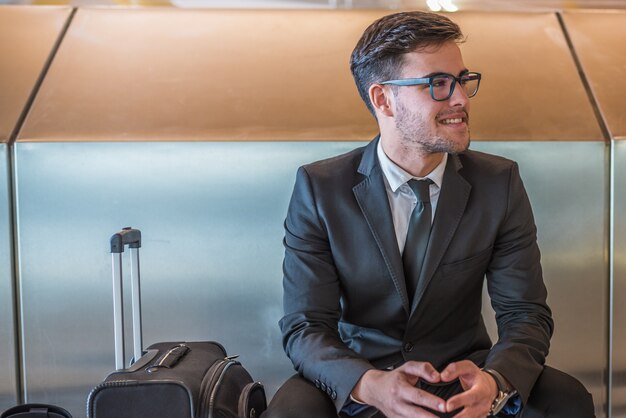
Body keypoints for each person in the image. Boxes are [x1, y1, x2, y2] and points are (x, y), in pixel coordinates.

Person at [264, 11, 595, 418]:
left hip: (464, 377)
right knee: (290, 411)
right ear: (383, 98)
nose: (459, 98)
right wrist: (369, 385)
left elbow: (525, 315)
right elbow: (305, 326)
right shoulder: (320, 188)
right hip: (365, 377)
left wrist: (494, 382)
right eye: (437, 84)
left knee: (565, 398)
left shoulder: (499, 182)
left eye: (461, 80)